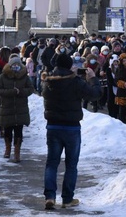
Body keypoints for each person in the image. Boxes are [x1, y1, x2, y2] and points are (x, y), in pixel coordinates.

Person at [41, 51, 102, 210]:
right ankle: (67, 198)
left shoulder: (49, 81)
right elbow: (95, 94)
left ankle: (50, 196)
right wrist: (93, 78)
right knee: (71, 164)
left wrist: (70, 75)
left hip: (53, 126)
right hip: (72, 128)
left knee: (52, 163)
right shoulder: (75, 82)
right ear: (69, 66)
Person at [0, 54, 34, 162]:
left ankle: (17, 153)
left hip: (20, 109)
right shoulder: (3, 76)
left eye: (17, 65)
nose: (15, 66)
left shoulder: (24, 76)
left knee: (18, 131)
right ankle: (7, 150)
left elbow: (30, 89)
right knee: (7, 130)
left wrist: (21, 92)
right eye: (13, 65)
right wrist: (11, 92)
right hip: (7, 107)